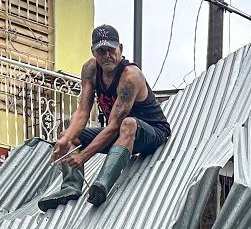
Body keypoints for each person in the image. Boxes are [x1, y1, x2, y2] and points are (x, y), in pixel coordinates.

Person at [40, 24, 172, 210]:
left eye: (111, 49)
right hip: (119, 135)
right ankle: (71, 186)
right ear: (93, 52)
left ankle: (101, 185)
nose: (107, 55)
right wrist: (66, 139)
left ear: (120, 49)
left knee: (128, 123)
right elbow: (83, 111)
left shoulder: (130, 76)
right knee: (68, 129)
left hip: (150, 132)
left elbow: (113, 127)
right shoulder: (90, 70)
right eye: (101, 51)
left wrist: (84, 156)